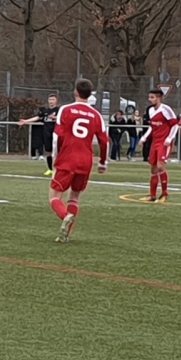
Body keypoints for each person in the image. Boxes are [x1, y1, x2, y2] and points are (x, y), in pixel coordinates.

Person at [48, 79, 108, 242]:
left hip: (67, 158)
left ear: (75, 92)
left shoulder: (65, 110)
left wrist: (55, 157)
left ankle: (65, 216)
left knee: (54, 197)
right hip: (85, 161)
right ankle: (66, 235)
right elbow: (104, 141)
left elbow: (57, 137)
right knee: (74, 197)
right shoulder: (96, 115)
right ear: (89, 94)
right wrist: (103, 162)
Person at [141, 89, 178, 203]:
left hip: (164, 142)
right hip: (155, 142)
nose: (150, 99)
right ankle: (152, 195)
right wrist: (144, 137)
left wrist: (169, 138)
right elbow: (152, 127)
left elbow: (175, 125)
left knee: (160, 166)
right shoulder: (150, 110)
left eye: (152, 97)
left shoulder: (166, 109)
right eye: (149, 97)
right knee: (153, 168)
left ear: (159, 98)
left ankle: (164, 194)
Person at [18, 94, 59, 177]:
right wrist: (26, 121)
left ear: (56, 101)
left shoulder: (59, 110)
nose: (51, 101)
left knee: (58, 152)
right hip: (47, 134)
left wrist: (55, 118)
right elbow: (37, 117)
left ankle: (59, 169)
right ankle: (50, 169)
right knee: (49, 152)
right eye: (50, 99)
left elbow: (64, 118)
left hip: (57, 134)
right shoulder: (45, 111)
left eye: (53, 99)